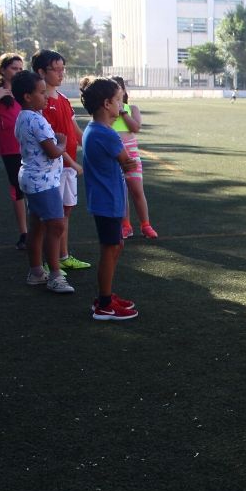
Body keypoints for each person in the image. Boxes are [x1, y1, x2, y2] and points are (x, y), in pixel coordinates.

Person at [79, 77, 139, 321]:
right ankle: (104, 304)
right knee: (110, 248)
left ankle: (107, 295)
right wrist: (128, 161)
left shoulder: (95, 130)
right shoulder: (106, 134)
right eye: (117, 100)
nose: (121, 104)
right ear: (106, 104)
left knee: (116, 245)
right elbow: (127, 162)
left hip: (107, 199)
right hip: (107, 200)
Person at [12, 70, 73, 294]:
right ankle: (55, 275)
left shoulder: (24, 116)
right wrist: (62, 143)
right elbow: (53, 151)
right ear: (27, 96)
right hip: (42, 182)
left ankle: (36, 272)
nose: (46, 96)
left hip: (32, 178)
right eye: (41, 92)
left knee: (37, 227)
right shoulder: (36, 119)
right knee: (55, 225)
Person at [32, 49, 90, 272]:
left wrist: (90, 147)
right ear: (40, 71)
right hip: (54, 169)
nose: (60, 73)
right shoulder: (42, 104)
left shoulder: (64, 99)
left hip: (69, 167)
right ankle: (50, 261)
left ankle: (63, 255)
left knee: (65, 211)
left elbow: (73, 130)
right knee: (51, 217)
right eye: (55, 69)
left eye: (62, 68)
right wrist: (73, 163)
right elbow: (52, 141)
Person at [0, 53, 28, 249]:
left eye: (20, 68)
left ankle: (39, 229)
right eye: (14, 68)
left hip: (30, 146)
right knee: (17, 190)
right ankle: (24, 233)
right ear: (3, 70)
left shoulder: (25, 90)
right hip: (10, 149)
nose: (18, 71)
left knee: (35, 188)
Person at [109, 77, 158, 240]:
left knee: (137, 190)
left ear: (123, 90)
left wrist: (122, 111)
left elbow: (135, 127)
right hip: (114, 153)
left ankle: (146, 225)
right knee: (121, 191)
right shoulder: (107, 110)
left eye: (119, 89)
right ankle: (126, 226)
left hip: (131, 153)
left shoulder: (132, 109)